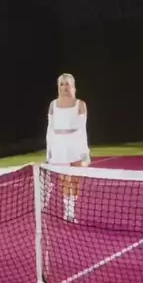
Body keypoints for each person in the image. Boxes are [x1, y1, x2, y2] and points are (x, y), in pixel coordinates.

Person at [45, 73, 90, 222]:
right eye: (62, 84)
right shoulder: (53, 105)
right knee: (64, 179)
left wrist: (85, 151)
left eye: (67, 84)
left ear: (73, 86)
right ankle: (67, 211)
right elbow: (50, 129)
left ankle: (72, 208)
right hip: (59, 145)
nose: (64, 87)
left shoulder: (80, 104)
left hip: (75, 144)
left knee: (75, 179)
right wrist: (49, 150)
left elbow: (83, 129)